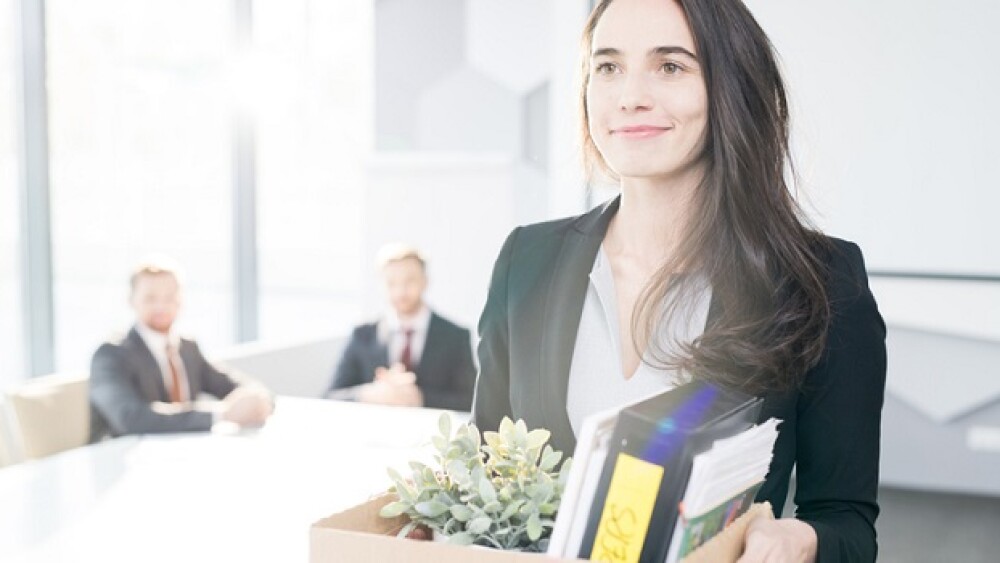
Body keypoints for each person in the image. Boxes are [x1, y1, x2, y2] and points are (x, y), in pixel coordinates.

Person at [471, 1, 886, 562]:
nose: (630, 95)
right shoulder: (527, 260)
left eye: (670, 66)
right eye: (608, 66)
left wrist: (798, 539)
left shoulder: (821, 283)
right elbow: (484, 479)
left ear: (730, 86)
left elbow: (847, 524)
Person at [89, 260, 274, 440]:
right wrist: (221, 415)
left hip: (181, 455)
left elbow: (234, 385)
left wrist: (257, 400)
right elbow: (130, 418)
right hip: (117, 460)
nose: (161, 306)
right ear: (131, 300)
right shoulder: (110, 355)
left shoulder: (187, 348)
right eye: (150, 298)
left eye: (169, 297)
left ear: (180, 301)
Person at [326, 244, 477, 411]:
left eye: (410, 280)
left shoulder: (455, 337)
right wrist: (369, 394)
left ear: (425, 282)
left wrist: (421, 398)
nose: (400, 291)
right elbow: (331, 395)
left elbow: (473, 400)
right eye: (391, 283)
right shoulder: (362, 334)